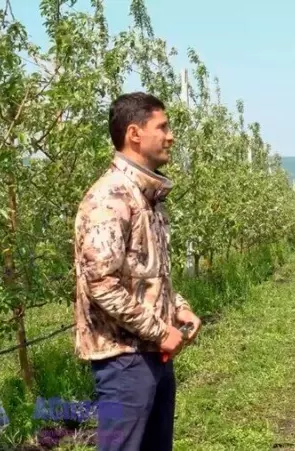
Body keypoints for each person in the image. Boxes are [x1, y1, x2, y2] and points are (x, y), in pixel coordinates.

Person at [73, 92, 201, 450]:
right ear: (134, 134)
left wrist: (179, 307)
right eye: (162, 127)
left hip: (151, 353)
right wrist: (160, 331)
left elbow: (150, 271)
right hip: (123, 360)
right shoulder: (110, 198)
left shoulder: (145, 196)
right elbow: (101, 283)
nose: (170, 135)